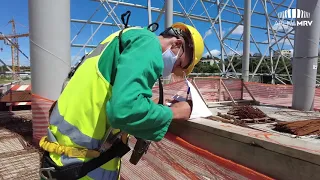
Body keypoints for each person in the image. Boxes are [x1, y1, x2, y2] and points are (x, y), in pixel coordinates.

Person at [39, 21, 204, 180]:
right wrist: (175, 112)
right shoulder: (147, 43)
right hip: (83, 168)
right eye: (180, 65)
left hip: (60, 159)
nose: (173, 70)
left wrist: (146, 103)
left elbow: (102, 95)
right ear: (176, 44)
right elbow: (125, 111)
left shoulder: (120, 38)